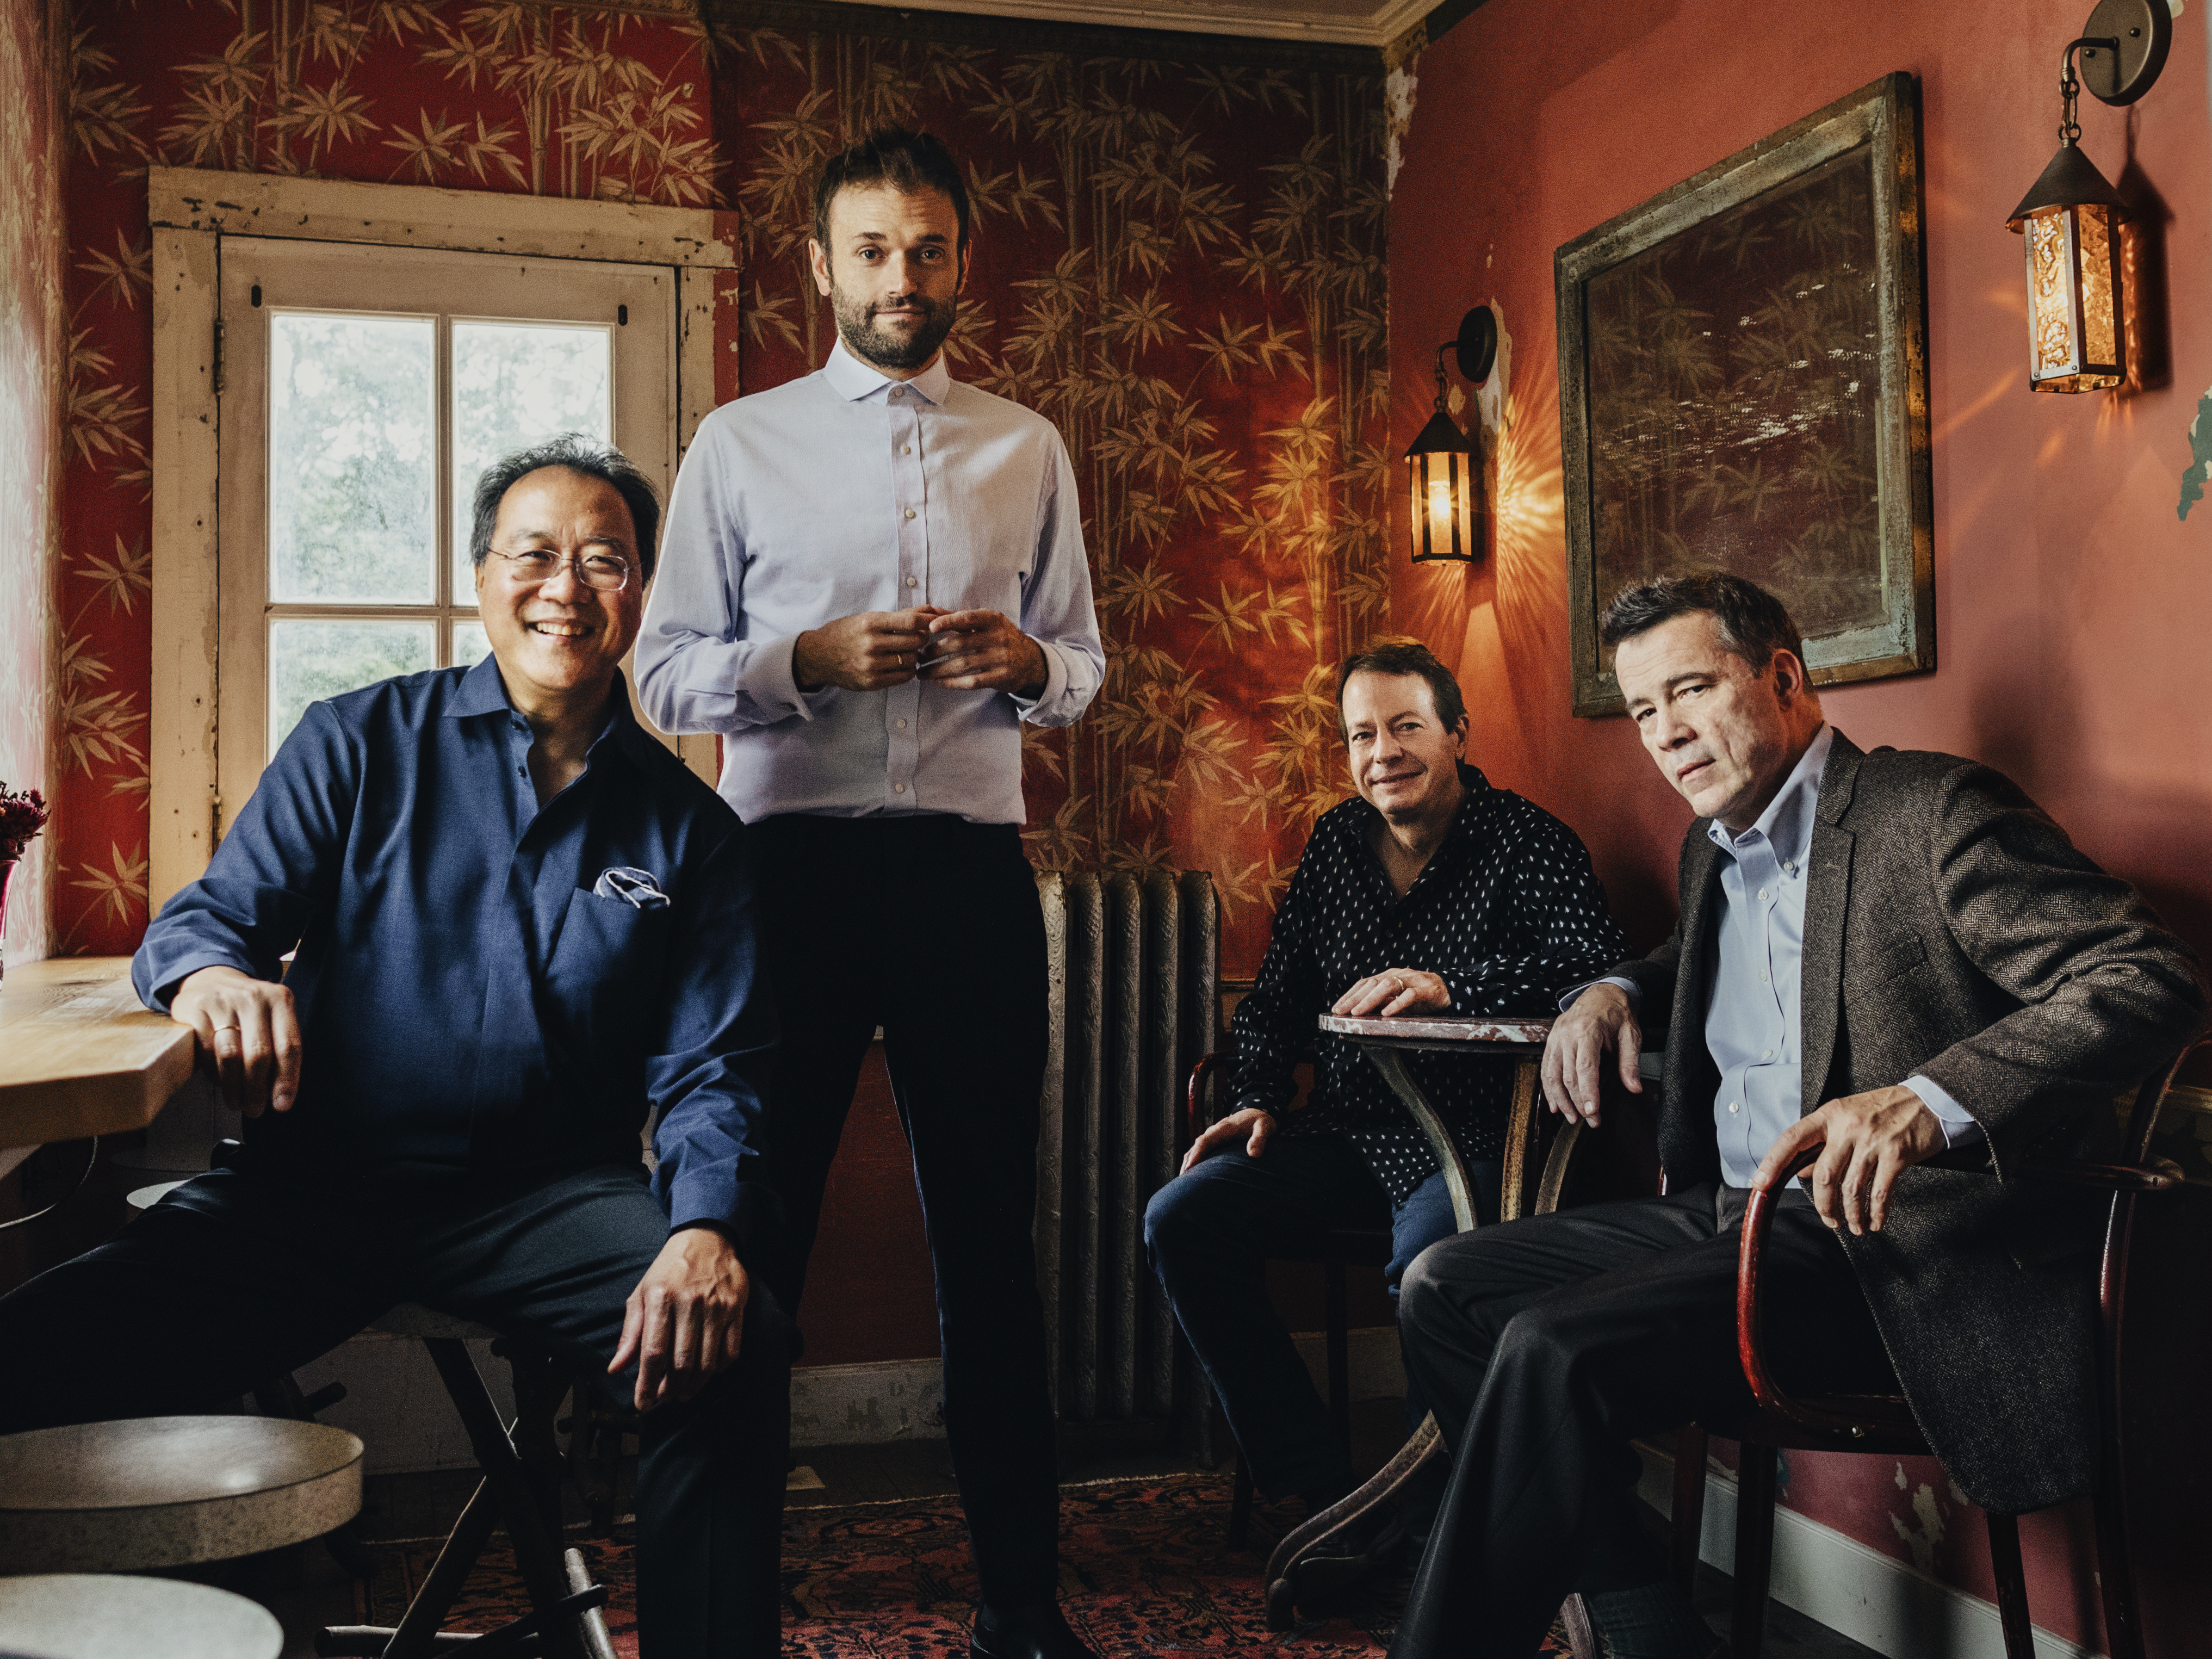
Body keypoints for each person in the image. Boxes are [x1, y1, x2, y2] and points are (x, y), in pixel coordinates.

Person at [0, 436, 789, 1657]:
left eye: (605, 559)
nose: (565, 587)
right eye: (534, 553)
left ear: (643, 591)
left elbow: (714, 1069)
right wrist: (216, 977)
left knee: (733, 1352)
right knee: (30, 1353)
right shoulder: (359, 740)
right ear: (480, 574)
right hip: (312, 1186)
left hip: (549, 1201)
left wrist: (703, 1229)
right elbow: (213, 916)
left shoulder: (692, 835)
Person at [1386, 572, 2205, 1659]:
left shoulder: (1932, 814)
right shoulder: (1712, 846)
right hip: (1727, 1216)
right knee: (1445, 1284)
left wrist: (1931, 1099)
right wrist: (1615, 990)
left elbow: (2146, 976)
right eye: (1642, 711)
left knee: (1549, 1347)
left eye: (1690, 689)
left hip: (1883, 1246)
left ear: (1782, 676)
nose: (1667, 733)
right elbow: (1699, 961)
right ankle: (1644, 1619)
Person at [633, 126, 1105, 1659]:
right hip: (784, 879)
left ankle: (1020, 1609)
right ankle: (725, 1611)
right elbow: (658, 670)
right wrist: (801, 666)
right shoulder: (739, 442)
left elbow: (1082, 666)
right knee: (749, 1242)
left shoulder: (1025, 446)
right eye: (872, 250)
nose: (901, 277)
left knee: (989, 1242)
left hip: (969, 878)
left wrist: (1032, 667)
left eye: (928, 248)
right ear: (819, 265)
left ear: (965, 260)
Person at [1144, 639, 1625, 1574]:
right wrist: (1256, 1100)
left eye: (1406, 726)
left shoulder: (1528, 840)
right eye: (1363, 734)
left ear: (1456, 733)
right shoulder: (1333, 844)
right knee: (1183, 1217)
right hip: (1344, 1139)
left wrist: (1454, 983)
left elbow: (1594, 966)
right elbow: (1277, 997)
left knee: (1433, 1276)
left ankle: (1429, 1531)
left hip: (1478, 1145)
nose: (1384, 752)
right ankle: (1331, 1497)